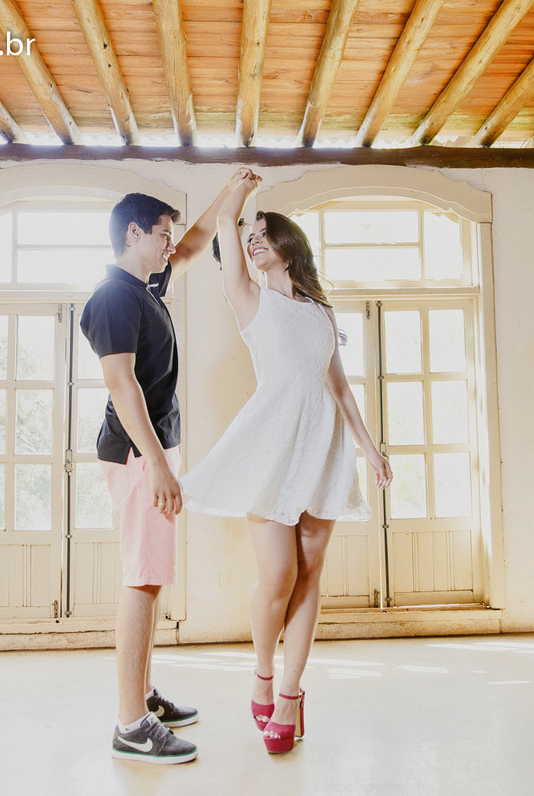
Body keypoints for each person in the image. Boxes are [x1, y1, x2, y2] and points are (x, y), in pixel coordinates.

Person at [181, 171, 393, 754]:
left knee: (310, 573)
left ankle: (293, 695)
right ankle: (263, 673)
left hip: (323, 445)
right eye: (251, 236)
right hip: (272, 444)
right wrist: (240, 196)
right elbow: (224, 224)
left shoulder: (321, 313)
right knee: (277, 576)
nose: (253, 240)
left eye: (264, 234)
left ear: (288, 247)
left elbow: (341, 390)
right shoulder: (250, 298)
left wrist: (371, 450)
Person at [80, 169, 253, 765]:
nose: (168, 245)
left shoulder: (146, 289)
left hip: (151, 449)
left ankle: (143, 695)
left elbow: (196, 242)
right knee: (142, 578)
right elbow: (120, 383)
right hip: (136, 454)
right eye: (160, 234)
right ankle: (131, 723)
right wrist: (156, 464)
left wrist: (233, 197)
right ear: (133, 233)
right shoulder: (113, 297)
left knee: (150, 577)